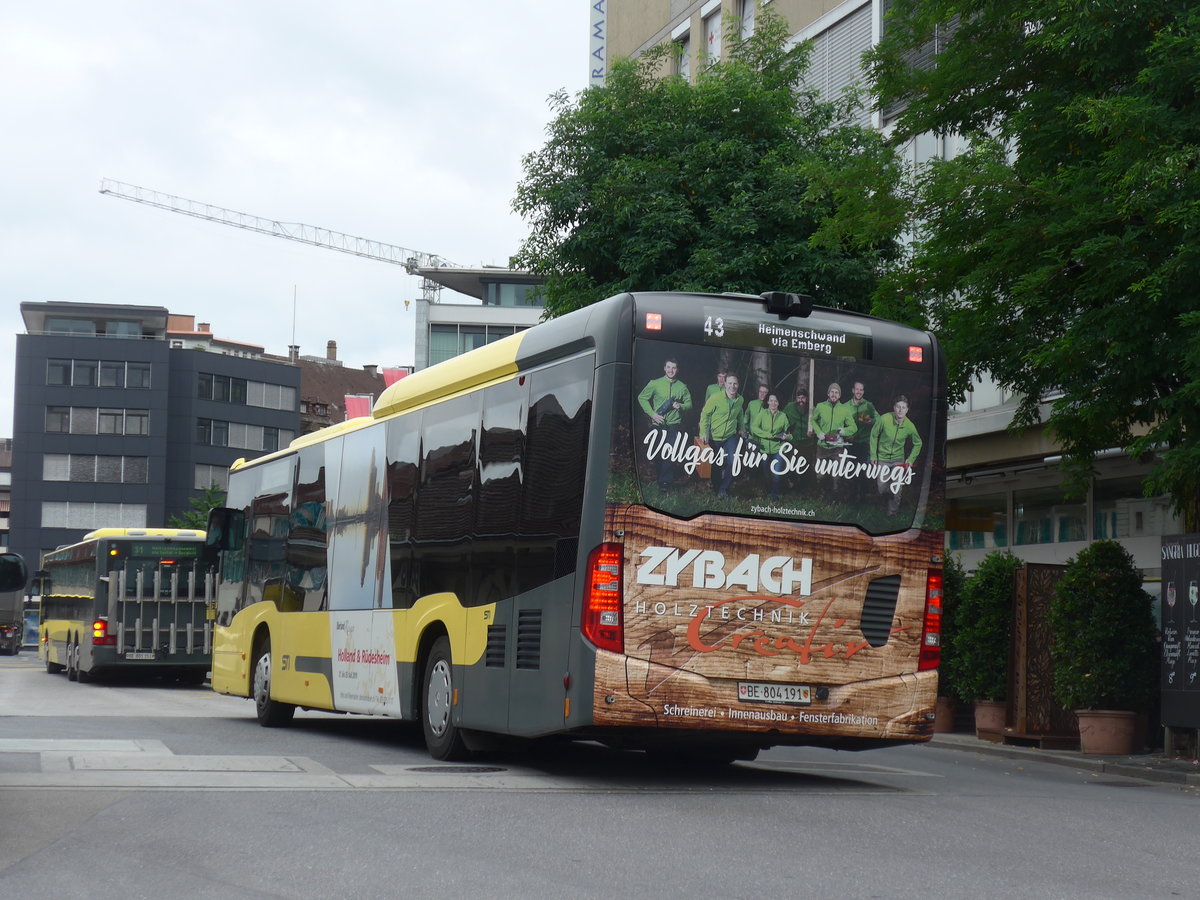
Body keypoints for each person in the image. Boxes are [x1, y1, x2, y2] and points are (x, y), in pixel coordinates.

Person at [637, 357, 694, 491]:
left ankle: (665, 483)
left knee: (669, 452)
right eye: (668, 367)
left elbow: (690, 404)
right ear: (664, 368)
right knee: (658, 453)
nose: (671, 370)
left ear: (677, 370)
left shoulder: (682, 386)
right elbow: (642, 398)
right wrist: (652, 414)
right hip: (658, 424)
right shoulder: (655, 383)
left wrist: (680, 406)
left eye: (673, 368)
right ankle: (661, 476)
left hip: (674, 425)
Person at [869, 394, 923, 515]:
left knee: (897, 488)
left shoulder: (909, 426)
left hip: (899, 460)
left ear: (907, 410)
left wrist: (910, 459)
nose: (900, 410)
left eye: (903, 407)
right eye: (898, 407)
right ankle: (886, 501)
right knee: (881, 487)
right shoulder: (884, 419)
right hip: (882, 458)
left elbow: (918, 443)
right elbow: (874, 435)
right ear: (894, 407)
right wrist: (873, 455)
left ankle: (892, 514)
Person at [699, 373, 745, 499]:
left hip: (730, 436)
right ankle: (716, 487)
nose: (732, 386)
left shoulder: (740, 399)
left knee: (733, 460)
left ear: (738, 385)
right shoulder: (715, 398)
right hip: (715, 436)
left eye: (735, 383)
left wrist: (741, 428)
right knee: (716, 464)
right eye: (730, 383)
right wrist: (704, 432)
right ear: (725, 384)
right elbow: (705, 414)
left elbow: (740, 413)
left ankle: (723, 489)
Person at [810, 382, 857, 492]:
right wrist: (819, 432)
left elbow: (854, 427)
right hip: (822, 447)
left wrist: (844, 431)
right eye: (832, 392)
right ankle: (821, 492)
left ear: (839, 395)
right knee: (820, 475)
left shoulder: (845, 409)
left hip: (837, 447)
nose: (834, 394)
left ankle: (835, 495)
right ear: (828, 393)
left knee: (836, 476)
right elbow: (813, 420)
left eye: (837, 392)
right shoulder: (821, 406)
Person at [750, 392, 792, 500]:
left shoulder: (783, 416)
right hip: (764, 449)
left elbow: (790, 434)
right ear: (768, 401)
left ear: (778, 403)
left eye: (776, 401)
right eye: (771, 400)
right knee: (766, 474)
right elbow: (754, 428)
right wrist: (768, 435)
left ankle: (776, 494)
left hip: (778, 449)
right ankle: (768, 492)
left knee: (776, 474)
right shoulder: (762, 413)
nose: (773, 403)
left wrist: (787, 437)